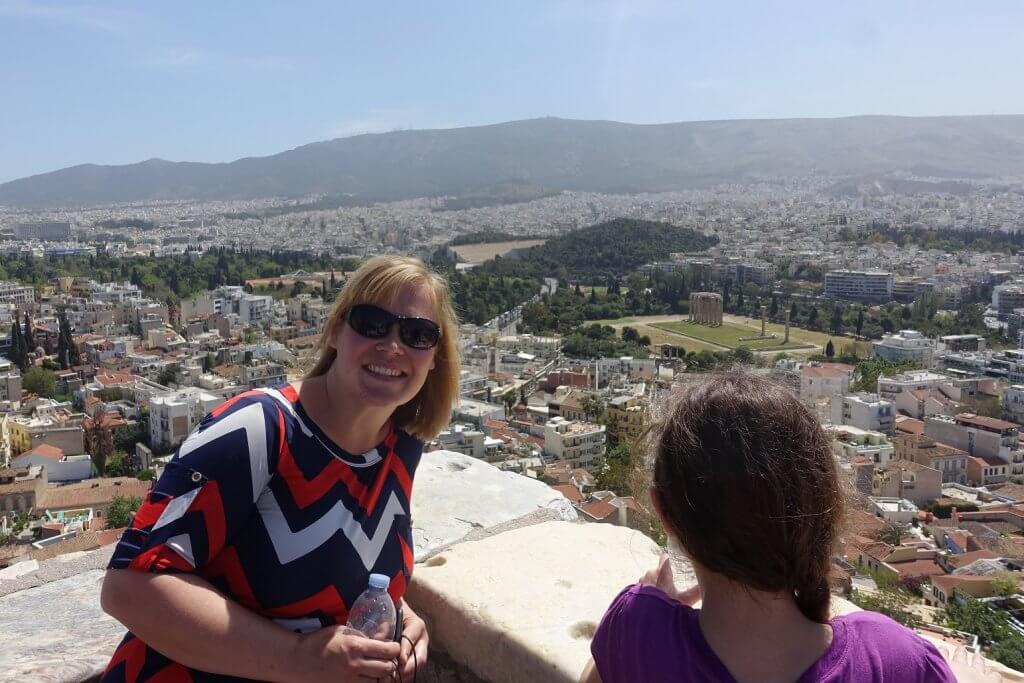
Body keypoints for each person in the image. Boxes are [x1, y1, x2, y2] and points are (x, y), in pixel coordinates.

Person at [100, 255, 461, 682]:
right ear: (335, 330)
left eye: (418, 334)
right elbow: (130, 588)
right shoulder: (259, 429)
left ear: (435, 356)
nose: (394, 345)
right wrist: (299, 659)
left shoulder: (400, 448)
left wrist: (398, 611)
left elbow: (341, 559)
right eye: (372, 323)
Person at [581, 374, 957, 683]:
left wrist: (647, 609)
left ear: (663, 511)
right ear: (822, 506)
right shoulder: (894, 660)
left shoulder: (637, 634)